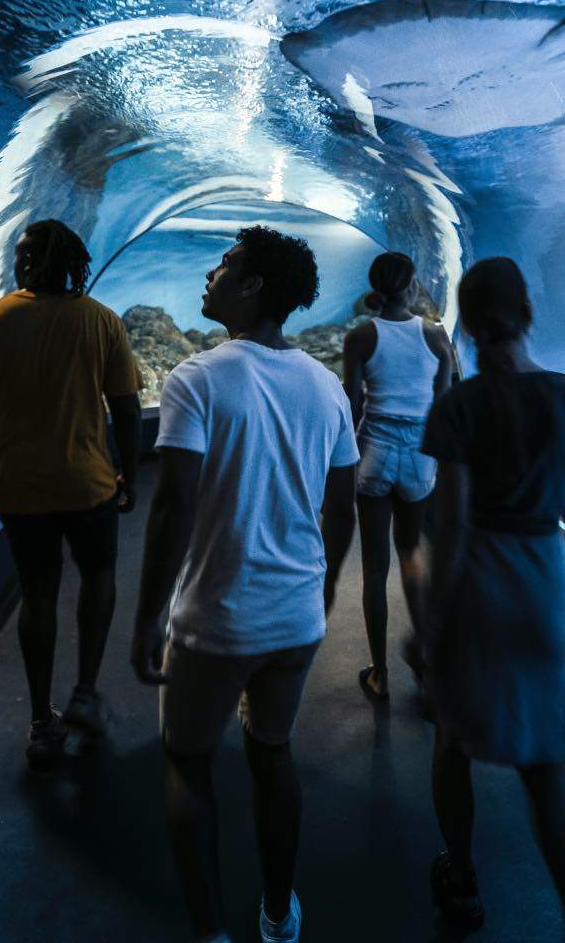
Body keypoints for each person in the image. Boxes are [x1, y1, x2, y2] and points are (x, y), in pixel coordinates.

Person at [130, 226, 357, 943]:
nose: (213, 272)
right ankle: (278, 913)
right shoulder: (326, 386)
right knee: (272, 753)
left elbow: (172, 508)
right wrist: (321, 592)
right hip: (295, 616)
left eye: (226, 263)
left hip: (216, 619)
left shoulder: (196, 377)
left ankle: (209, 932)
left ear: (253, 285)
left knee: (187, 762)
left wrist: (146, 622)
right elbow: (342, 505)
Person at [419, 257, 565, 936]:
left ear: (465, 324)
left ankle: (462, 882)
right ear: (528, 314)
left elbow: (454, 522)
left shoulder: (460, 407)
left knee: (451, 740)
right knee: (546, 766)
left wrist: (431, 622)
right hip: (542, 578)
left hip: (481, 581)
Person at [0, 219, 141, 770]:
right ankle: (84, 690)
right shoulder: (101, 321)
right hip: (89, 484)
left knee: (37, 595)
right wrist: (127, 472)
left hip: (19, 488)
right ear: (75, 263)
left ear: (24, 262)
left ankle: (40, 721)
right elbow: (126, 408)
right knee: (99, 577)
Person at [339, 251, 454, 702]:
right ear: (413, 286)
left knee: (374, 567)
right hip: (420, 459)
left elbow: (349, 405)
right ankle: (425, 667)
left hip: (375, 455)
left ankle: (381, 674)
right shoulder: (435, 337)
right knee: (411, 555)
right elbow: (443, 407)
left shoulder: (361, 337)